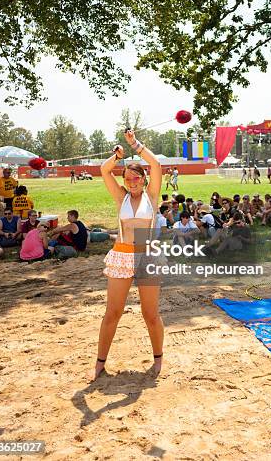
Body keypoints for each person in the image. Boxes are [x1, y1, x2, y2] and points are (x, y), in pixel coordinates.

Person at [94, 130, 163, 381]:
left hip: (147, 255)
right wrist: (116, 157)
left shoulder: (152, 196)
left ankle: (158, 358)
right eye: (128, 178)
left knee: (150, 314)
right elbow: (103, 170)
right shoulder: (120, 197)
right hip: (122, 254)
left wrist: (135, 144)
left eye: (136, 178)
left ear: (144, 180)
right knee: (112, 312)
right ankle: (100, 363)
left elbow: (155, 164)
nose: (132, 182)